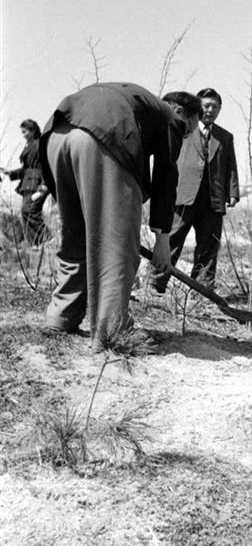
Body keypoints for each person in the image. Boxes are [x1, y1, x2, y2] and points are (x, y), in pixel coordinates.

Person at [39, 82, 200, 350]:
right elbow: (165, 177)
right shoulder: (171, 117)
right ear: (180, 111)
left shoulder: (136, 102)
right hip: (102, 141)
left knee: (76, 234)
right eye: (187, 130)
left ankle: (61, 315)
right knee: (117, 245)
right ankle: (112, 330)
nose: (183, 136)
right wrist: (163, 240)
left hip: (57, 136)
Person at [155, 87, 240, 293]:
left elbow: (230, 165)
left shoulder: (225, 137)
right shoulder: (184, 128)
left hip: (212, 200)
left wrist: (233, 191)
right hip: (184, 196)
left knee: (208, 248)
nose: (210, 110)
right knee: (171, 241)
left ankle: (202, 290)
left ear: (220, 109)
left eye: (215, 106)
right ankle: (155, 285)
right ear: (197, 108)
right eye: (206, 106)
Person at [0, 119, 50, 245]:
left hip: (37, 183)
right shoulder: (29, 145)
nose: (23, 135)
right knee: (25, 212)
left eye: (25, 132)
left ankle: (48, 239)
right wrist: (10, 173)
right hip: (27, 183)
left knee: (30, 211)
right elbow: (26, 169)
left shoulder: (40, 144)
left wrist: (45, 185)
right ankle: (36, 244)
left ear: (33, 131)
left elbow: (46, 166)